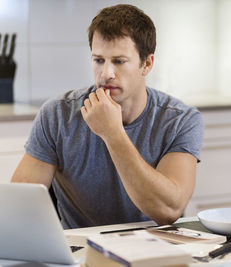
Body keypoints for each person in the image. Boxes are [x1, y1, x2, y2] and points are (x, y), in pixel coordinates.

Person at [11, 4, 204, 229]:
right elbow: (19, 207)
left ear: (147, 64)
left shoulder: (181, 120)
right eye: (99, 60)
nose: (106, 74)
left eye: (119, 61)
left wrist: (113, 134)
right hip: (82, 252)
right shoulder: (57, 115)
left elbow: (168, 211)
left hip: (154, 248)